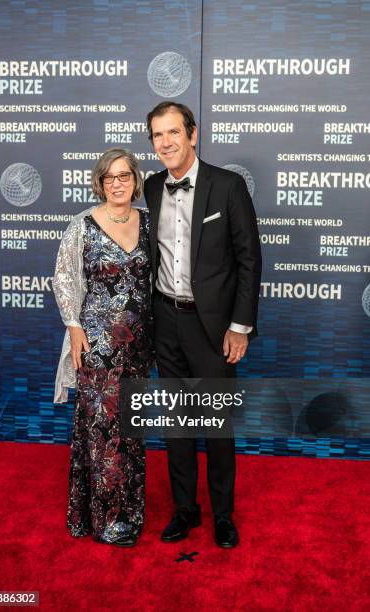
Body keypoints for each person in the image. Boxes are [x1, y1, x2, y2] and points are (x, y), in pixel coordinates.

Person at [144, 102, 262, 548]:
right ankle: (184, 510)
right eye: (158, 135)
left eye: (174, 132)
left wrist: (240, 326)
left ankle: (223, 515)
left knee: (216, 426)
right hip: (165, 322)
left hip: (213, 328)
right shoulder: (152, 188)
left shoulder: (228, 186)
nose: (166, 142)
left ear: (193, 135)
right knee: (176, 425)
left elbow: (249, 260)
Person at [53, 148, 153, 547]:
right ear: (99, 181)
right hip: (97, 347)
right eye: (109, 177)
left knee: (131, 429)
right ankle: (106, 518)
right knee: (102, 430)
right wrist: (74, 327)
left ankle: (131, 510)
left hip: (139, 348)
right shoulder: (82, 225)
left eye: (124, 176)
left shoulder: (148, 223)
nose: (117, 183)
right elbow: (63, 279)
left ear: (135, 180)